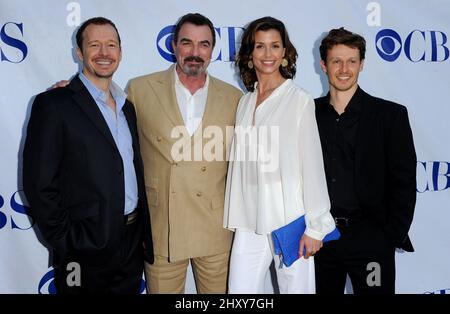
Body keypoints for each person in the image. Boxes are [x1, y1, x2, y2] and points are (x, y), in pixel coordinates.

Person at [23, 17, 153, 294]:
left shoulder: (127, 106)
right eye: (95, 45)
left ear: (120, 51)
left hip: (130, 244)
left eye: (111, 45)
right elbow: (38, 184)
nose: (104, 53)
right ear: (79, 53)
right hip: (80, 251)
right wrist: (66, 242)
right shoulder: (54, 104)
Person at [127, 13, 242, 293]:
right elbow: (106, 123)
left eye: (204, 44)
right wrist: (72, 92)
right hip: (161, 225)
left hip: (215, 227)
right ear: (174, 45)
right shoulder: (140, 89)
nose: (194, 52)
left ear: (212, 51)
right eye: (187, 43)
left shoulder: (234, 97)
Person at [223, 16, 335, 294]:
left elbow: (312, 164)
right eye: (260, 46)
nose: (268, 54)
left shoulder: (298, 100)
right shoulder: (245, 101)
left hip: (290, 220)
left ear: (285, 52)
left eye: (275, 46)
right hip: (250, 221)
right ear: (250, 53)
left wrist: (316, 226)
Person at [314, 27, 417, 294]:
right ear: (324, 65)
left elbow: (404, 180)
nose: (344, 68)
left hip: (371, 239)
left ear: (362, 64)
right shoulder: (307, 113)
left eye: (351, 61)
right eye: (336, 61)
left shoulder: (390, 115)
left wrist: (389, 235)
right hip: (320, 238)